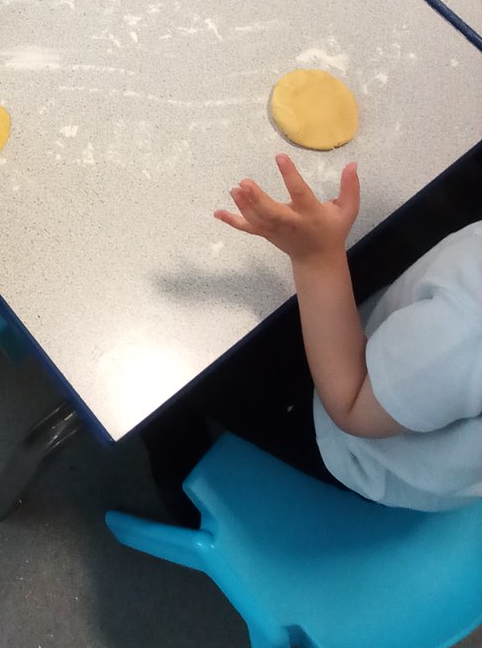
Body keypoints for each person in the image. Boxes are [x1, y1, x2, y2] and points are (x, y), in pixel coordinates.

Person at [143, 152, 482, 522]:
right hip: (416, 386)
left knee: (176, 346)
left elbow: (351, 406)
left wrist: (316, 257)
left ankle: (183, 492)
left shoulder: (469, 324)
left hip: (359, 441)